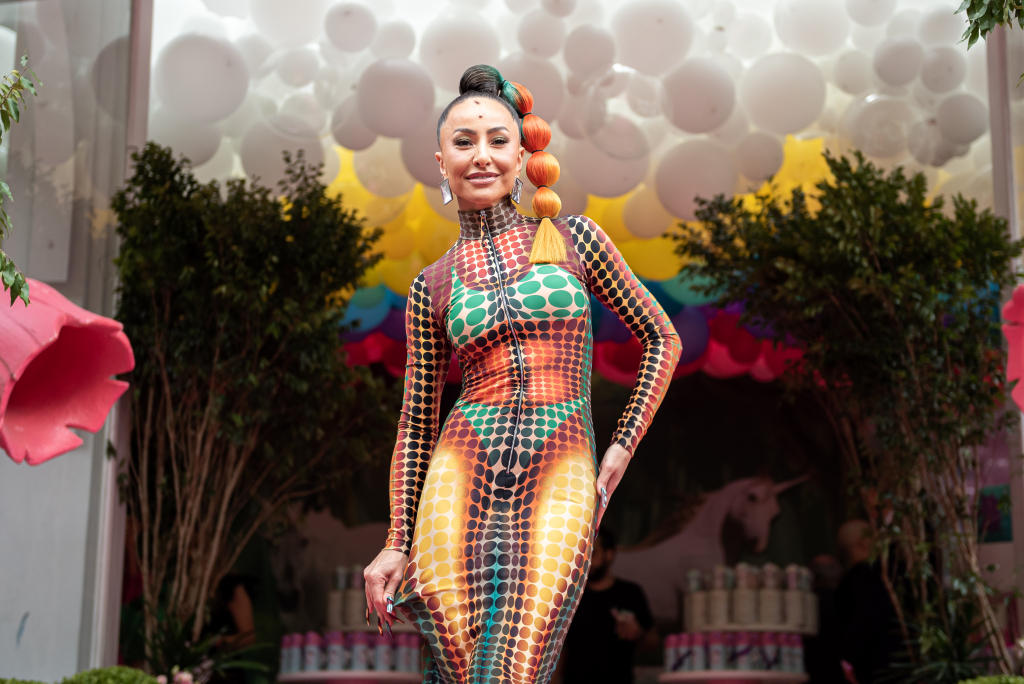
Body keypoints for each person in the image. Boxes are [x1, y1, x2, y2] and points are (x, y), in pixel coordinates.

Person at [361, 64, 681, 684]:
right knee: (461, 670)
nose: (481, 156)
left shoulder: (576, 240)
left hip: (559, 465)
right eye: (464, 142)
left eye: (497, 140)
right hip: (458, 474)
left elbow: (662, 337)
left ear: (521, 153)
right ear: (441, 162)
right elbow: (417, 423)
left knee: (509, 666)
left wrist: (622, 444)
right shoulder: (431, 285)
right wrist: (398, 539)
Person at [558, 527, 654, 684]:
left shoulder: (630, 593)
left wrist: (638, 634)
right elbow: (558, 650)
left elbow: (653, 641)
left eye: (592, 553)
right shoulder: (568, 597)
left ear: (609, 555)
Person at [833, 520, 900, 684]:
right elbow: (868, 617)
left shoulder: (845, 585)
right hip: (888, 666)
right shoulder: (877, 576)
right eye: (873, 537)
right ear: (863, 542)